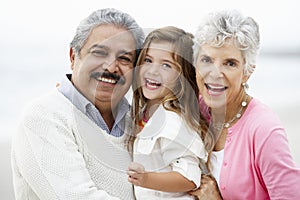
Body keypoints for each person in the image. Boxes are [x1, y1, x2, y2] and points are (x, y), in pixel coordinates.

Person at [11, 8, 144, 199]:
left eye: (124, 58)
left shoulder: (137, 123)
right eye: (99, 53)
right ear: (73, 57)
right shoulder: (42, 116)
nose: (110, 67)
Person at [189, 9, 300, 199]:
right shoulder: (192, 109)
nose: (215, 73)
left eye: (230, 63)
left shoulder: (265, 130)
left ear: (247, 71)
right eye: (207, 60)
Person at [126, 26, 213, 199]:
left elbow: (189, 178)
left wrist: (146, 179)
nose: (153, 70)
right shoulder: (144, 114)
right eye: (148, 60)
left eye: (166, 65)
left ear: (182, 77)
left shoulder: (173, 121)